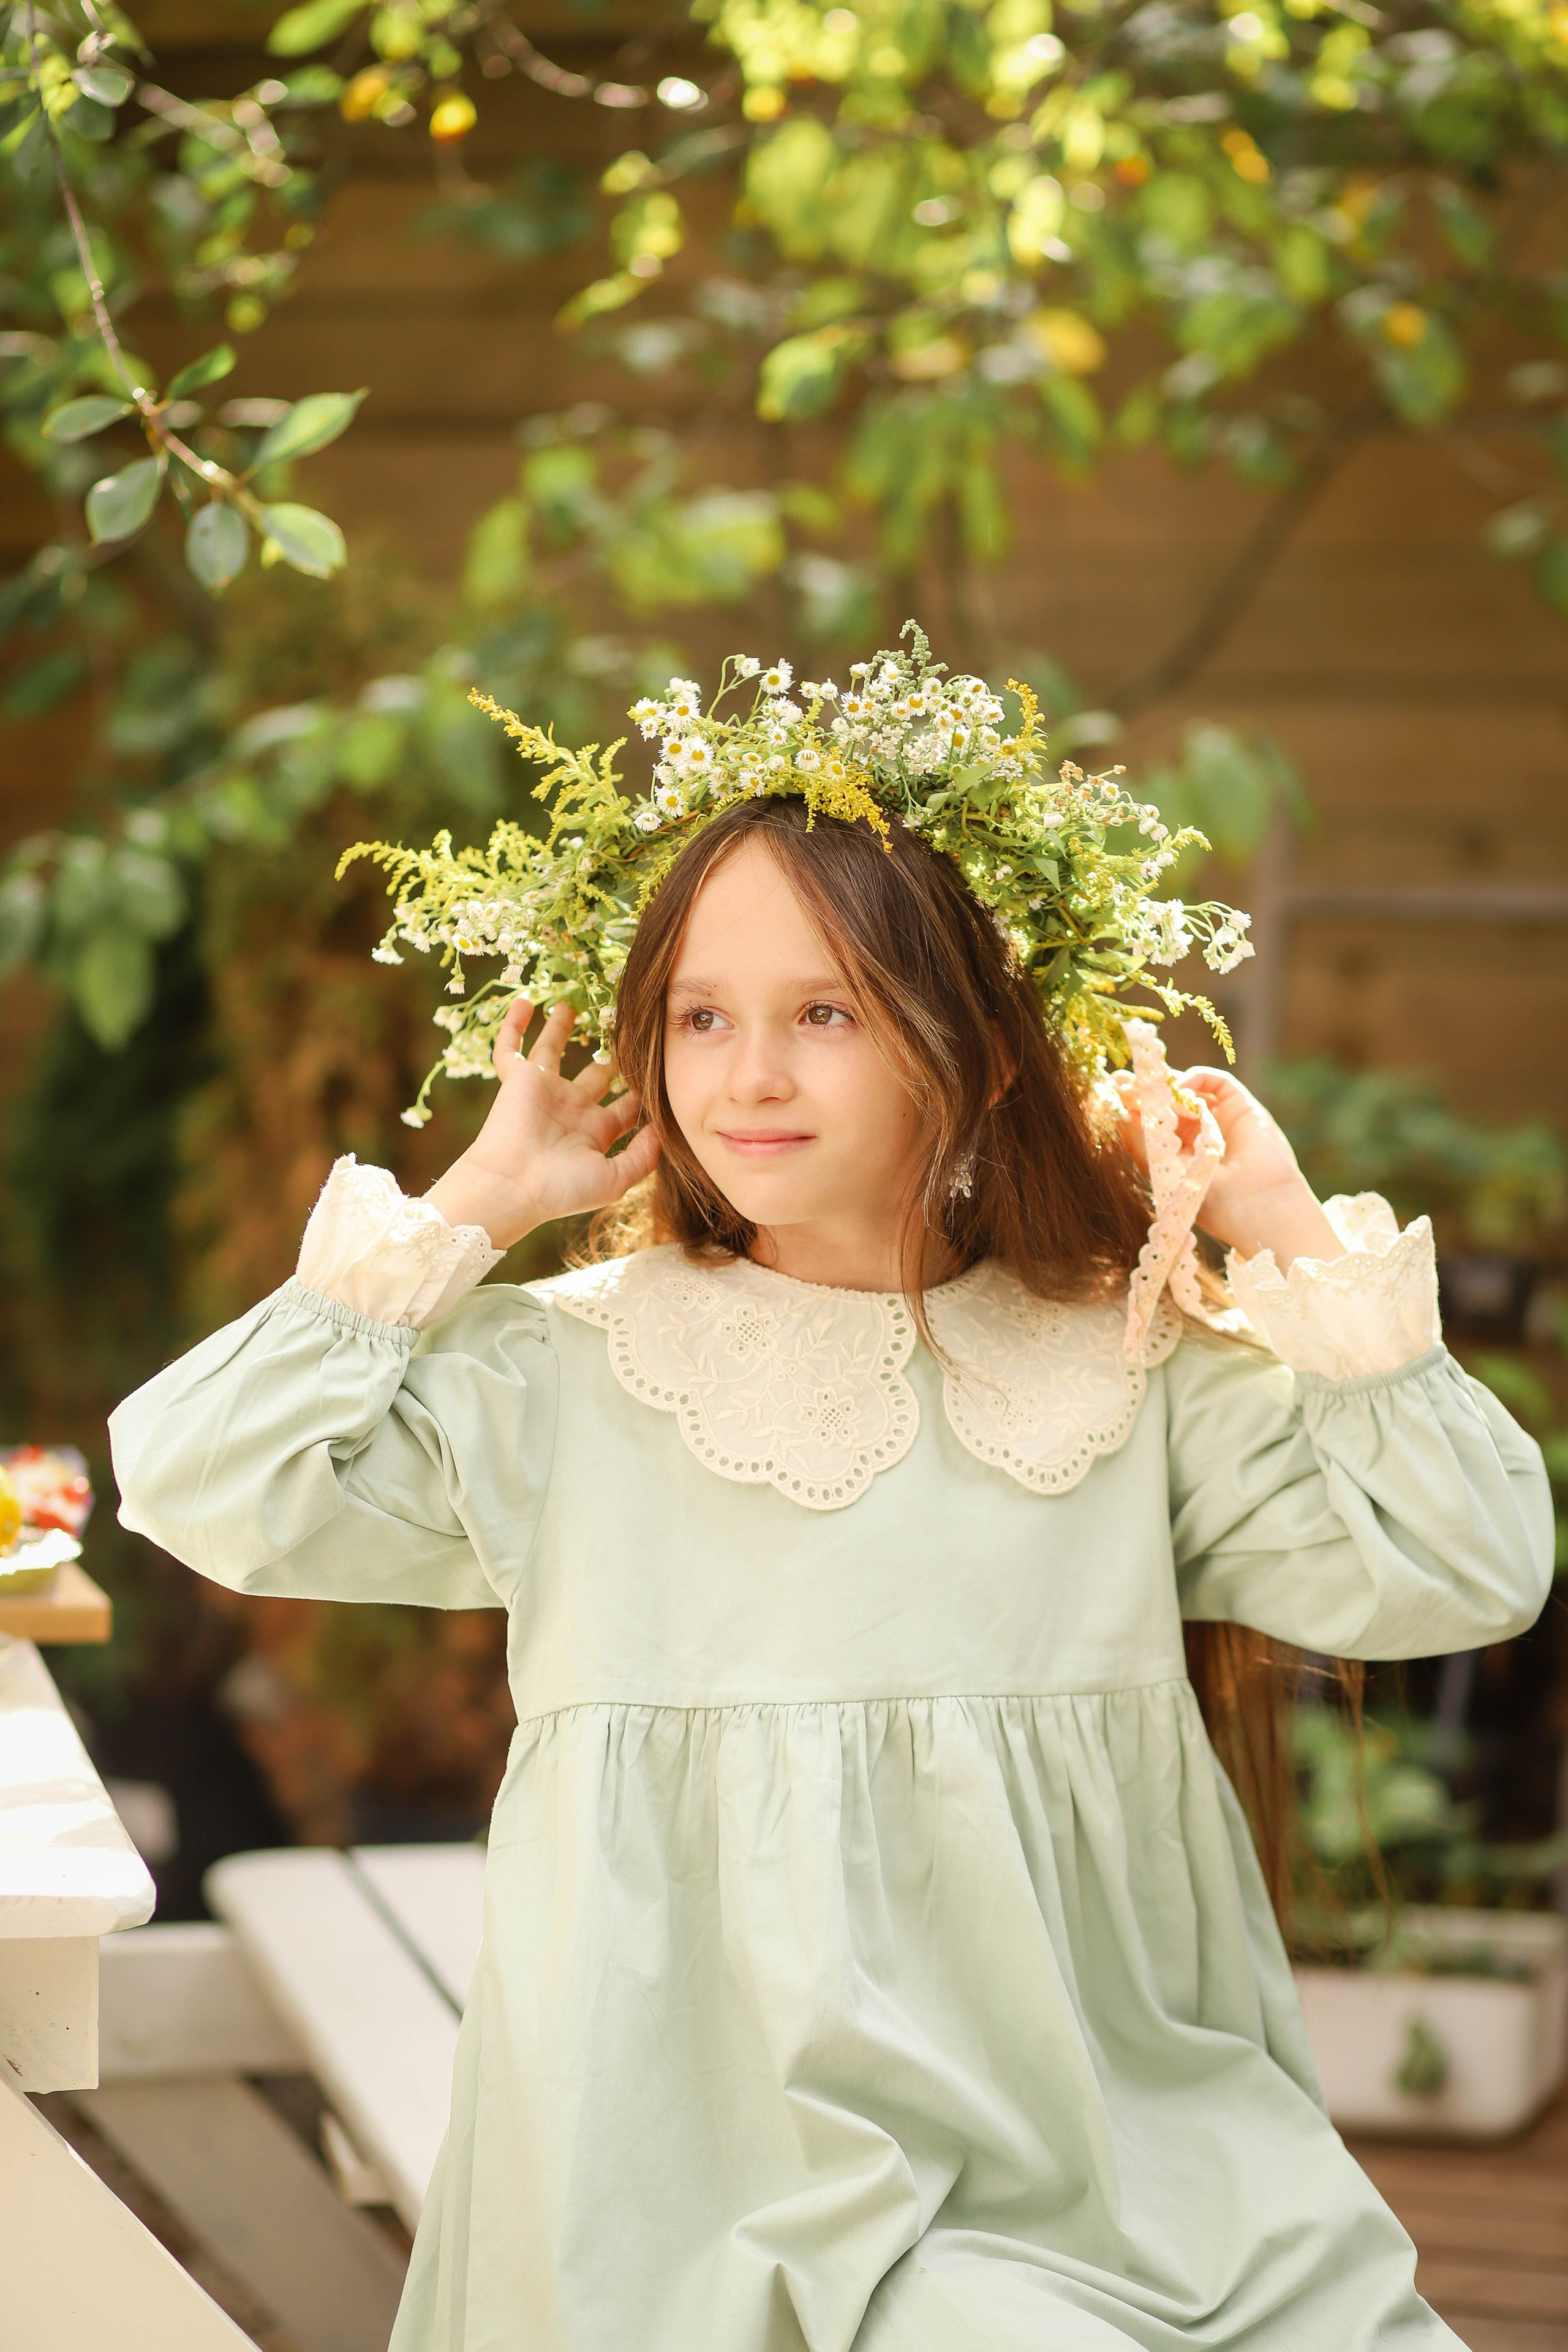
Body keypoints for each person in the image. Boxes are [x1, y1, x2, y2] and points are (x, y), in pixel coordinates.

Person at [111, 643, 1551, 2352]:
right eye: (702, 1019)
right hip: (694, 2183)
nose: (749, 1078)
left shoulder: (1123, 1370)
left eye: (826, 1015)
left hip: (1120, 2168)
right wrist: (487, 1195)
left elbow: (1469, 1565)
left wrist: (1291, 1228)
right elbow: (199, 1477)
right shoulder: (584, 1374)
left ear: (989, 1054)